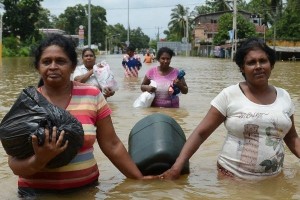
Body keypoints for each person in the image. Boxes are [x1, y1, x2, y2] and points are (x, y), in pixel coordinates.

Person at [6, 34, 154, 198]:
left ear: (73, 66)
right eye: (46, 61)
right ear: (38, 67)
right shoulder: (28, 102)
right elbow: (14, 164)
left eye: (60, 61)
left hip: (86, 191)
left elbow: (112, 145)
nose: (53, 66)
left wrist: (139, 179)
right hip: (36, 193)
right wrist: (40, 159)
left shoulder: (92, 95)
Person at [159, 38, 300, 180]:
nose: (258, 66)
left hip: (274, 180)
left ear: (271, 64)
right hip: (232, 179)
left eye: (263, 61)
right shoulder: (230, 95)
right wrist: (177, 167)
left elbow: (292, 137)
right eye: (251, 62)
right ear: (242, 68)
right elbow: (201, 133)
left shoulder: (284, 96)